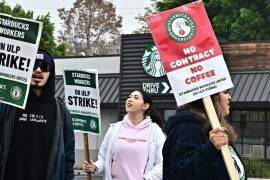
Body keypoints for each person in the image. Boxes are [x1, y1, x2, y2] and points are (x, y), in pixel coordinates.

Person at [0, 48, 75, 180]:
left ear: (50, 74)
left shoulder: (61, 112)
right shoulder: (7, 105)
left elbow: (68, 159)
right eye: (33, 65)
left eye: (44, 67)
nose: (38, 70)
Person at [163, 91, 247, 180]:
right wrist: (210, 150)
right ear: (213, 97)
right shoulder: (186, 129)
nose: (229, 97)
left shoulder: (216, 128)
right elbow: (181, 174)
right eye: (225, 92)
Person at [83, 90, 165, 180]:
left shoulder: (155, 132)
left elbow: (162, 164)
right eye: (129, 97)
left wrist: (147, 178)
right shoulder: (114, 128)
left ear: (145, 106)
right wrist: (95, 166)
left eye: (136, 98)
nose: (130, 100)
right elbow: (104, 159)